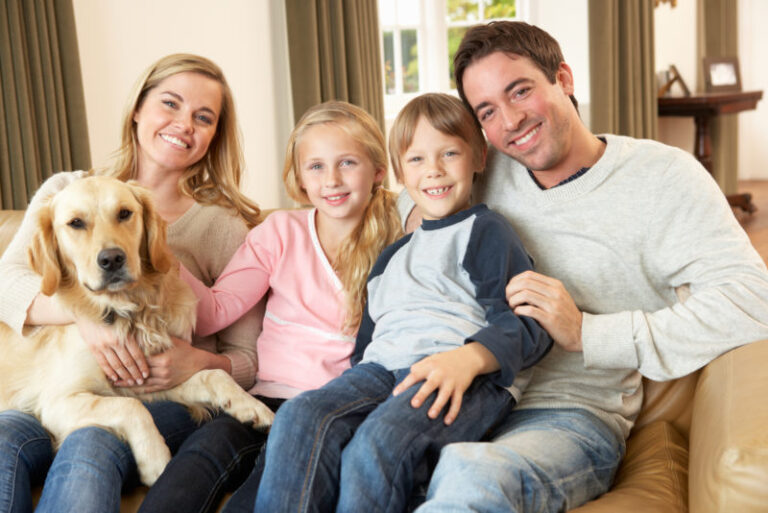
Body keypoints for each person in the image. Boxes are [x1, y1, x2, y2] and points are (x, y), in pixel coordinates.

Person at [393, 22, 768, 513]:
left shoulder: (663, 177)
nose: (510, 120)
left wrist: (589, 333)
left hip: (566, 415)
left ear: (563, 79)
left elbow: (751, 300)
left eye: (520, 91)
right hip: (459, 396)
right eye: (487, 111)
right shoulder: (480, 169)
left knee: (470, 473)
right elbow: (409, 198)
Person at [254, 92, 553, 513]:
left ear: (478, 158)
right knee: (300, 416)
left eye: (449, 153)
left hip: (454, 375)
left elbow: (527, 324)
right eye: (416, 160)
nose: (434, 171)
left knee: (375, 445)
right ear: (397, 171)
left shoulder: (485, 230)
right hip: (379, 371)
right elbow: (368, 341)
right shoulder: (391, 255)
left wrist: (468, 359)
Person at [0, 53, 266, 513]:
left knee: (91, 442)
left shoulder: (224, 227)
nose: (184, 123)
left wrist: (195, 361)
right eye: (170, 103)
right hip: (43, 391)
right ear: (138, 109)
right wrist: (87, 319)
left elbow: (249, 358)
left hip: (160, 394)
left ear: (213, 135)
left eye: (203, 117)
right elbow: (6, 283)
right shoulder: (65, 190)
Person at [138, 100, 403, 513]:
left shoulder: (398, 239)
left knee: (261, 494)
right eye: (315, 166)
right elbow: (214, 311)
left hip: (329, 414)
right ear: (299, 177)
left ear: (379, 172)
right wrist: (163, 256)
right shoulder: (280, 232)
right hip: (263, 400)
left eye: (347, 162)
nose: (331, 179)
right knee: (193, 467)